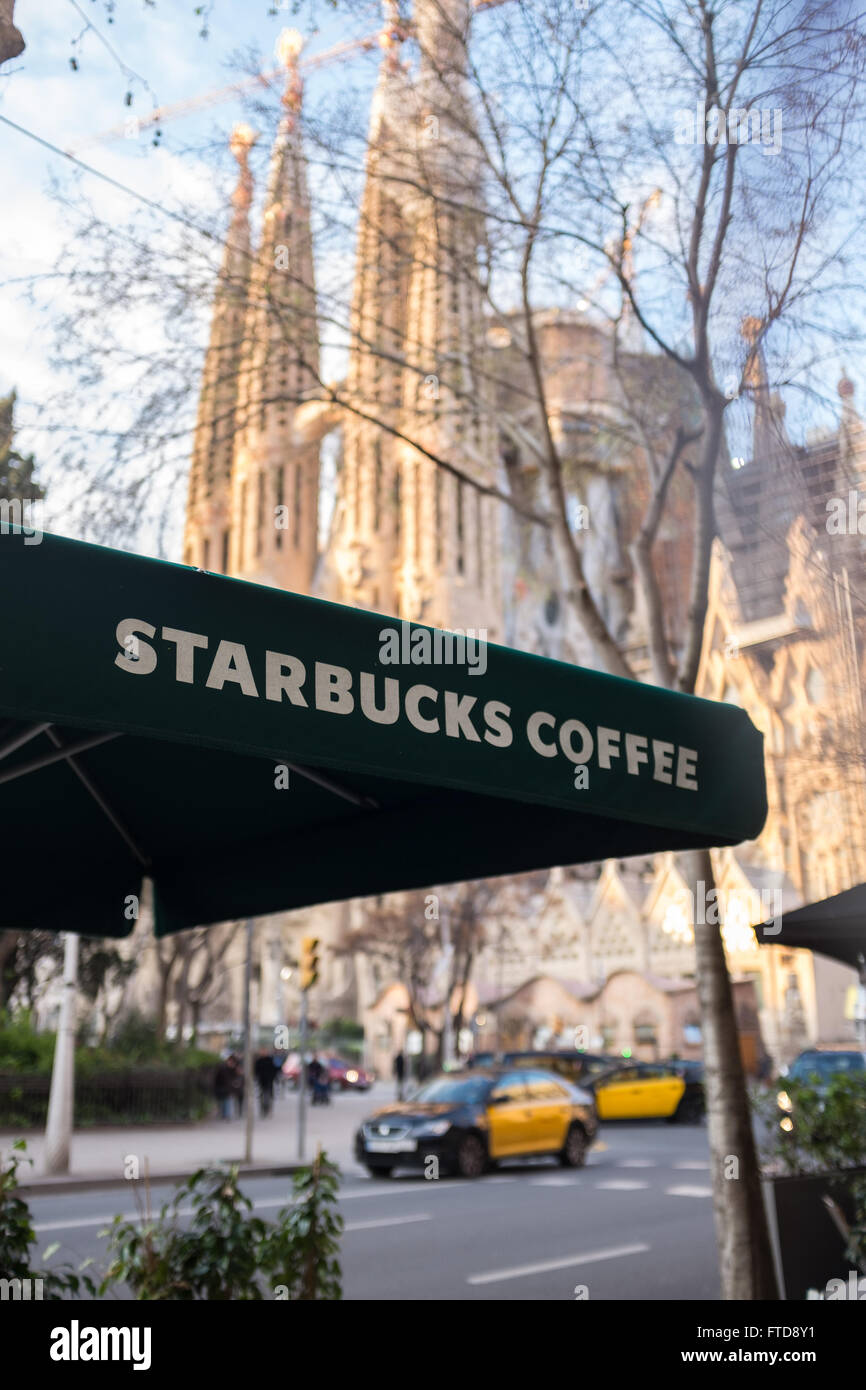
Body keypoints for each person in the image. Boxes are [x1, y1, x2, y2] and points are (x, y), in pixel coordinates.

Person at [254, 1047, 277, 1117]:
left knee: (269, 1097)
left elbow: (274, 1070)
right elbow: (256, 1071)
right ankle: (263, 1111)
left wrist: (272, 1078)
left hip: (269, 1082)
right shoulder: (259, 1060)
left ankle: (268, 1110)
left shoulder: (270, 1060)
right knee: (261, 1097)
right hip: (261, 1082)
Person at [214, 1055, 234, 1120]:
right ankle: (224, 1115)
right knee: (223, 1102)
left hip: (226, 1088)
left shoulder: (231, 1068)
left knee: (227, 1101)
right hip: (222, 1088)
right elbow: (218, 1079)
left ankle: (226, 1115)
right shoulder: (223, 1069)